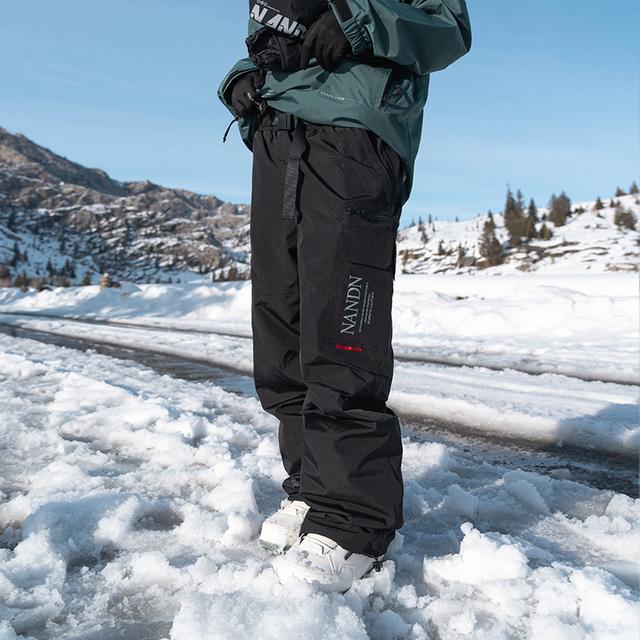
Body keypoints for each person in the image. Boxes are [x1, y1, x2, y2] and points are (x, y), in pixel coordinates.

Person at [218, 0, 471, 592]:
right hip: (279, 133)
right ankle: (313, 488)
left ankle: (355, 519)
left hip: (355, 133)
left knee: (340, 327)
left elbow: (448, 29)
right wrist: (241, 78)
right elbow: (272, 34)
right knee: (281, 327)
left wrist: (358, 22)